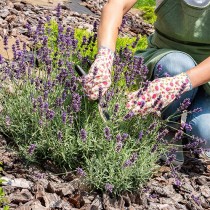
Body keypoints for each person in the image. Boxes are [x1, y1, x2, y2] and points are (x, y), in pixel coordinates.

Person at [82, 0, 210, 164]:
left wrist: (181, 82)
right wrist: (104, 58)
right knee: (177, 65)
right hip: (168, 59)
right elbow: (115, 5)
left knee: (205, 134)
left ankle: (188, 115)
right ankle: (168, 127)